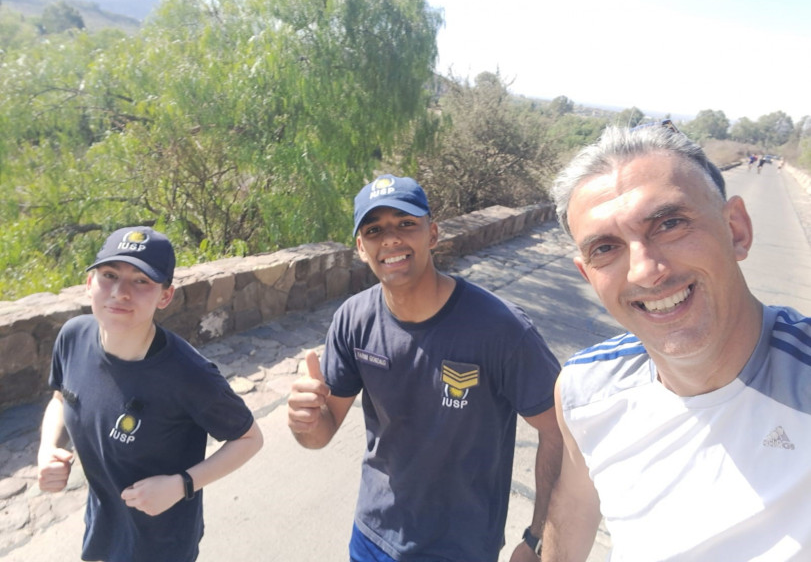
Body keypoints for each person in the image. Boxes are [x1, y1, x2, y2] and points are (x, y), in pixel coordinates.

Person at [541, 122, 811, 561]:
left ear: (736, 229)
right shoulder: (585, 388)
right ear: (587, 275)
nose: (645, 271)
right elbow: (573, 508)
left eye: (670, 224)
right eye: (605, 249)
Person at [287, 175, 563, 562]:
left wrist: (539, 541)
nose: (391, 240)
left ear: (432, 234)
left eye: (405, 224)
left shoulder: (500, 328)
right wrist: (304, 420)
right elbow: (319, 435)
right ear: (361, 248)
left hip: (461, 548)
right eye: (374, 230)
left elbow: (561, 432)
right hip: (372, 537)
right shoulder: (354, 319)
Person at [37, 226, 264, 562]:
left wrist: (181, 485)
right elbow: (60, 397)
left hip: (161, 544)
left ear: (165, 296)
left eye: (141, 280)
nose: (120, 292)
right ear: (89, 284)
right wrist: (47, 449)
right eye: (109, 275)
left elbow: (249, 439)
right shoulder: (73, 337)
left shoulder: (187, 373)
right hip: (102, 526)